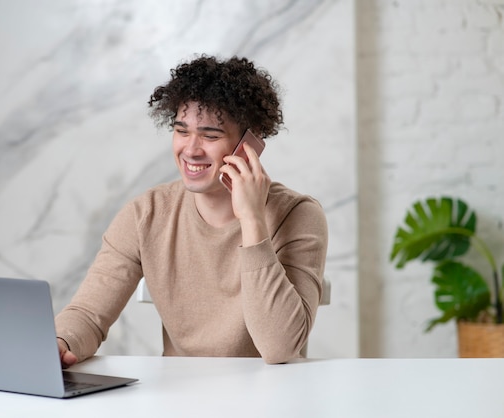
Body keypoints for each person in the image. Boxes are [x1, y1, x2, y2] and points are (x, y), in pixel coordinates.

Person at [55, 55, 328, 366]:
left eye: (210, 135)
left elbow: (280, 348)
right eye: (182, 130)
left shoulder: (298, 215)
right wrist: (60, 342)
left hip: (272, 397)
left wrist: (252, 220)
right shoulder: (147, 214)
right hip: (177, 395)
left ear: (250, 144)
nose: (191, 149)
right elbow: (88, 315)